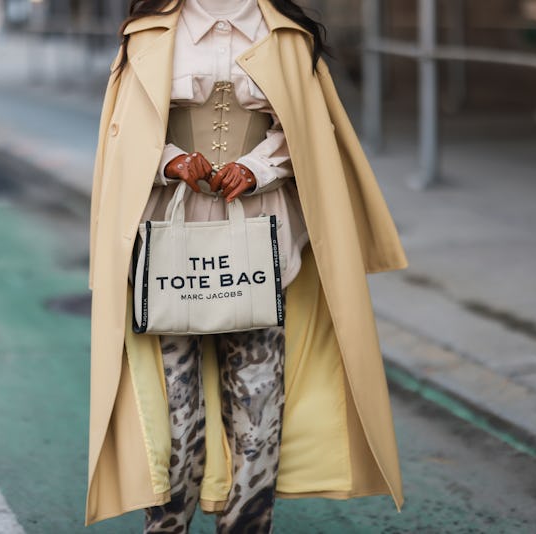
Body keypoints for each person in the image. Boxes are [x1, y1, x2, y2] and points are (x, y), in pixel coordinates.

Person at [87, 1, 409, 532]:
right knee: (171, 419)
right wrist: (170, 159)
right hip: (167, 237)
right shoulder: (145, 32)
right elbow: (123, 133)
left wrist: (256, 167)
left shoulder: (287, 35)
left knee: (259, 414)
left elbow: (309, 131)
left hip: (261, 239)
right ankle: (165, 526)